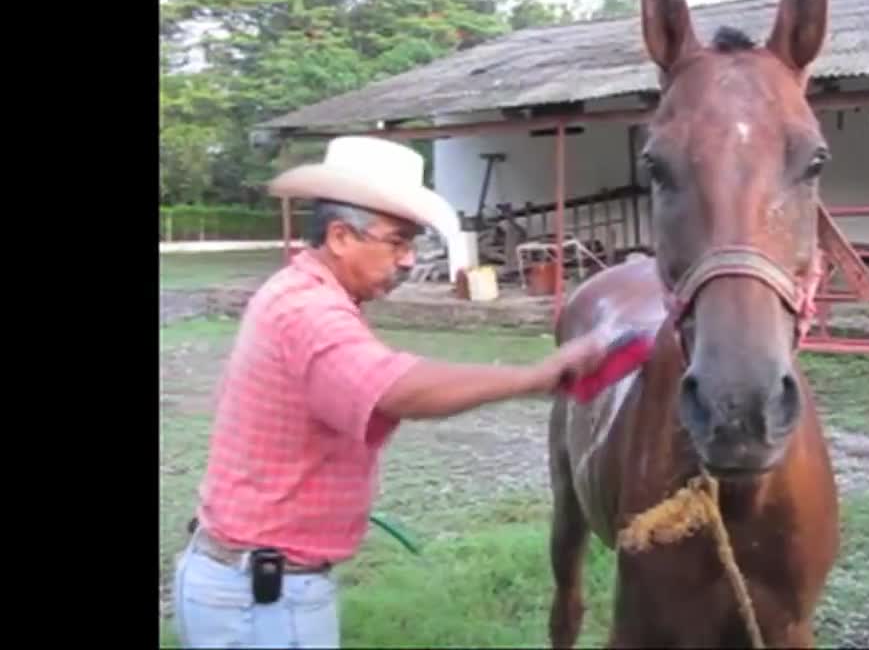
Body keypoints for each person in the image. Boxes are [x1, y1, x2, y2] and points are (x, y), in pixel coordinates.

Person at [169, 136, 611, 648]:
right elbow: (394, 388)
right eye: (397, 242)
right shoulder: (307, 313)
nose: (407, 261)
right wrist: (535, 376)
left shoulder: (304, 296)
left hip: (263, 586)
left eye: (412, 245)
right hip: (261, 599)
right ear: (339, 236)